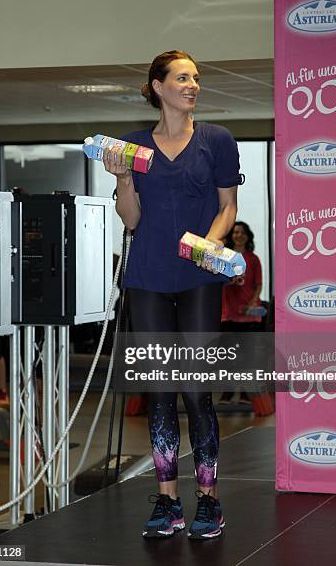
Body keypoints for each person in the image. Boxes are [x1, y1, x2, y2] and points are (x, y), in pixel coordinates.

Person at [102, 50, 243, 539]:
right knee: (161, 393)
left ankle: (208, 501)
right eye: (183, 78)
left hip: (199, 278)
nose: (193, 85)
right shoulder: (135, 147)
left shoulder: (218, 141)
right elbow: (132, 219)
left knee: (196, 391)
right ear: (158, 87)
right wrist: (122, 178)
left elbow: (228, 207)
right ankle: (167, 503)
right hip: (147, 278)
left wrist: (213, 241)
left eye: (196, 78)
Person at [220, 222, 263, 404]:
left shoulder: (253, 259)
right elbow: (217, 281)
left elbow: (259, 284)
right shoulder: (223, 257)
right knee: (229, 356)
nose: (239, 235)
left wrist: (253, 302)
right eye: (236, 232)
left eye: (242, 232)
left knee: (247, 357)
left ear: (248, 236)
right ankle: (228, 393)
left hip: (249, 314)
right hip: (228, 313)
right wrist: (229, 281)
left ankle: (246, 394)